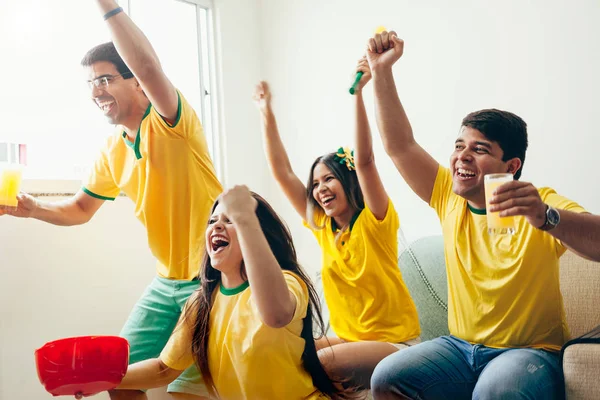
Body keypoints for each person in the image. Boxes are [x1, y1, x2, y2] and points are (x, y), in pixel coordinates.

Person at [0, 2, 222, 398]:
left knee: (183, 392)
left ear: (136, 82)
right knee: (116, 379)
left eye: (104, 79)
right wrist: (33, 210)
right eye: (90, 83)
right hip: (166, 282)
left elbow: (151, 67)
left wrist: (105, 4)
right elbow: (81, 209)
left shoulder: (172, 122)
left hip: (210, 277)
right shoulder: (112, 149)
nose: (96, 91)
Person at [366, 30, 600, 400]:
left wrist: (547, 217)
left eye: (479, 149)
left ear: (511, 165)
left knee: (495, 391)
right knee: (387, 377)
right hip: (460, 349)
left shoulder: (537, 204)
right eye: (459, 146)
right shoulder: (447, 196)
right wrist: (382, 72)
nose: (462, 156)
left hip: (530, 353)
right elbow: (400, 145)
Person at [252, 57, 420, 389]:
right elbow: (282, 172)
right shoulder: (324, 229)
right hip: (347, 338)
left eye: (329, 179)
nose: (320, 189)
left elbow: (368, 161)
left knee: (317, 364)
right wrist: (265, 111)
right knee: (274, 354)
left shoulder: (376, 221)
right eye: (315, 184)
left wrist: (358, 94)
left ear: (349, 181)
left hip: (397, 346)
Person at [114, 186, 356, 400]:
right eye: (212, 221)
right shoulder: (200, 303)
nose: (217, 225)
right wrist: (101, 378)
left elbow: (276, 315)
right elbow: (164, 370)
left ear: (260, 236)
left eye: (231, 220)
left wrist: (245, 219)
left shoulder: (287, 282)